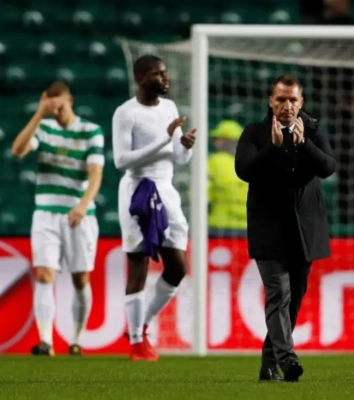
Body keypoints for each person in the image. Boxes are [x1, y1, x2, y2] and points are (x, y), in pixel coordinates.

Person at [235, 75, 336, 382]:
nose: (287, 106)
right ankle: (288, 359)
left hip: (305, 227)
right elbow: (244, 170)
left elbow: (328, 167)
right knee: (279, 292)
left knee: (295, 297)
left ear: (301, 102)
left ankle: (269, 365)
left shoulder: (314, 130)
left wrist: (304, 144)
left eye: (293, 100)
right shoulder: (255, 132)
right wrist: (274, 148)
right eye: (281, 99)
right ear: (271, 101)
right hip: (268, 225)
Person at [112, 55, 196, 362]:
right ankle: (137, 343)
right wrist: (164, 139)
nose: (165, 78)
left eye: (165, 73)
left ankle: (141, 325)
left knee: (178, 268)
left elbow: (178, 157)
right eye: (158, 74)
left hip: (166, 189)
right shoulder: (126, 113)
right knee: (139, 267)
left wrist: (184, 146)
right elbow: (121, 161)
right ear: (141, 79)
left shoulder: (169, 108)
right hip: (138, 189)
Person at [11, 82, 104, 356]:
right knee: (44, 274)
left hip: (79, 215)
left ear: (70, 100)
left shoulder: (90, 131)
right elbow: (18, 150)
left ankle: (77, 339)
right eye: (51, 105)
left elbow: (96, 173)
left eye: (59, 104)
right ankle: (46, 341)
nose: (56, 110)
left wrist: (83, 205)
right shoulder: (44, 128)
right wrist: (39, 114)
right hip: (46, 213)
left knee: (80, 278)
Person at [208, 120, 247, 234]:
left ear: (226, 140)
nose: (215, 143)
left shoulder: (214, 162)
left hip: (218, 227)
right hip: (247, 228)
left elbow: (202, 196)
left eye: (217, 139)